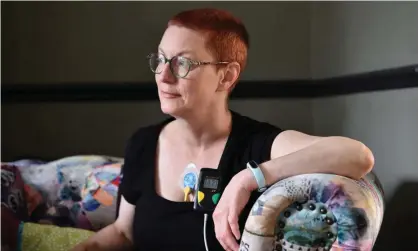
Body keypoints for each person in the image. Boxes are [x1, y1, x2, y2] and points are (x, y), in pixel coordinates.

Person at [71, 8, 374, 251]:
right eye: (161, 59)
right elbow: (125, 233)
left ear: (226, 77)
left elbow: (357, 155)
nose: (163, 76)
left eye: (182, 63)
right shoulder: (143, 143)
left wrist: (249, 178)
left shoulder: (255, 144)